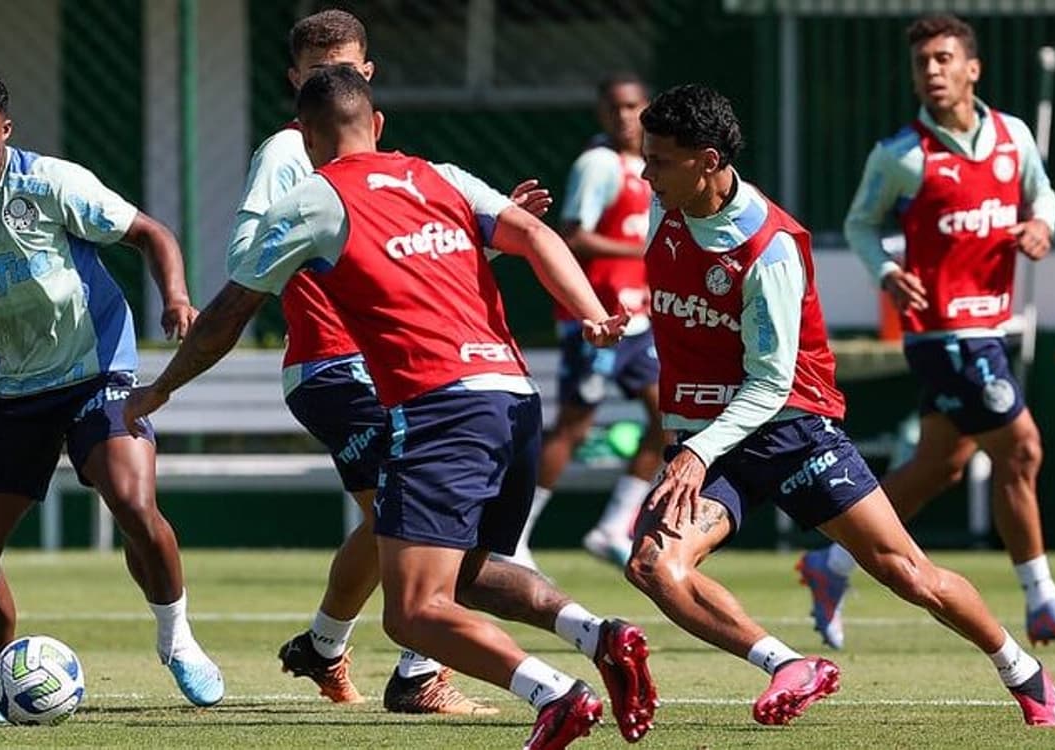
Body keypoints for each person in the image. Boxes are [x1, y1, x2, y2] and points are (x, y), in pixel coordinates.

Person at [126, 66, 659, 748]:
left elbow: (230, 312)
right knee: (462, 573)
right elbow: (534, 234)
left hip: (442, 411)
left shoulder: (314, 198)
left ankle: (556, 695)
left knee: (411, 614)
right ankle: (602, 634)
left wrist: (162, 387)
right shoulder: (441, 175)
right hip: (514, 398)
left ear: (307, 141)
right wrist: (590, 314)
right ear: (377, 125)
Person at [624, 82, 1055, 727]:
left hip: (791, 430)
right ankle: (788, 665)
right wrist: (606, 318)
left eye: (659, 160)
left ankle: (1023, 671)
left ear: (710, 160)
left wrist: (695, 453)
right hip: (712, 439)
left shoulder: (767, 248)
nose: (645, 172)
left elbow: (770, 384)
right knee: (653, 566)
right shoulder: (663, 212)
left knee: (909, 574)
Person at [230, 9, 548, 714]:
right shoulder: (290, 153)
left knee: (393, 521)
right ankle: (416, 673)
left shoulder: (382, 160)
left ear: (367, 76)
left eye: (346, 68)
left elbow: (400, 263)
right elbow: (248, 251)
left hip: (389, 370)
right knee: (414, 521)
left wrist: (481, 239)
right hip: (334, 362)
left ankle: (326, 644)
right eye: (319, 72)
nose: (335, 79)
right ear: (297, 84)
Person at [0, 63, 223, 724]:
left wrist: (177, 297)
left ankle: (177, 638)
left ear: (4, 130)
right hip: (15, 388)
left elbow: (150, 233)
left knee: (131, 500)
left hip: (97, 371)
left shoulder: (51, 182)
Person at [796, 13, 1055, 652]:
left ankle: (831, 562)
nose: (932, 71)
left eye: (944, 59)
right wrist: (887, 271)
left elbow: (1045, 196)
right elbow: (860, 224)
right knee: (1024, 450)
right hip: (944, 333)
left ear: (971, 68)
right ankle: (1043, 602)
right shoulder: (901, 155)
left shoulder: (1012, 136)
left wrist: (1040, 228)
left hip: (990, 325)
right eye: (923, 62)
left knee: (940, 467)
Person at [496, 73, 665, 572]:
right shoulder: (597, 164)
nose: (624, 116)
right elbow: (572, 235)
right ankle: (515, 535)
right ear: (600, 113)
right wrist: (640, 251)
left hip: (638, 320)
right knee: (574, 425)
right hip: (596, 319)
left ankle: (614, 526)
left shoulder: (651, 166)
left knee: (668, 419)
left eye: (633, 106)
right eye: (614, 107)